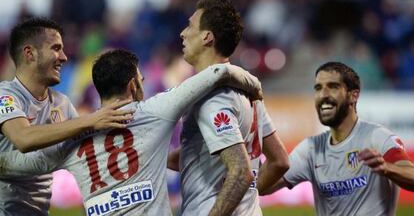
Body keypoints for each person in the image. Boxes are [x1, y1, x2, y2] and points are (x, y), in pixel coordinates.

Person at [0, 48, 263, 216]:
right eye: (141, 79)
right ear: (133, 84)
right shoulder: (155, 111)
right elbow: (217, 72)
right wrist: (253, 84)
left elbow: (15, 165)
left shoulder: (70, 142)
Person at [0, 18, 135, 215]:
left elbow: (87, 148)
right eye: (56, 48)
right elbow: (23, 138)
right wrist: (89, 119)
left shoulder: (61, 104)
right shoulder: (5, 96)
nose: (63, 57)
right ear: (29, 53)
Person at [168, 0, 289, 216]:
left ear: (207, 37)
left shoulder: (212, 98)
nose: (183, 33)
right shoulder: (249, 94)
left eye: (190, 26)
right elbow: (279, 161)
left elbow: (241, 172)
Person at [261, 62, 414, 215]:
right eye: (318, 88)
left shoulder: (377, 136)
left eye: (333, 87)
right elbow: (263, 186)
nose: (323, 95)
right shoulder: (311, 149)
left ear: (353, 95)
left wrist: (387, 168)